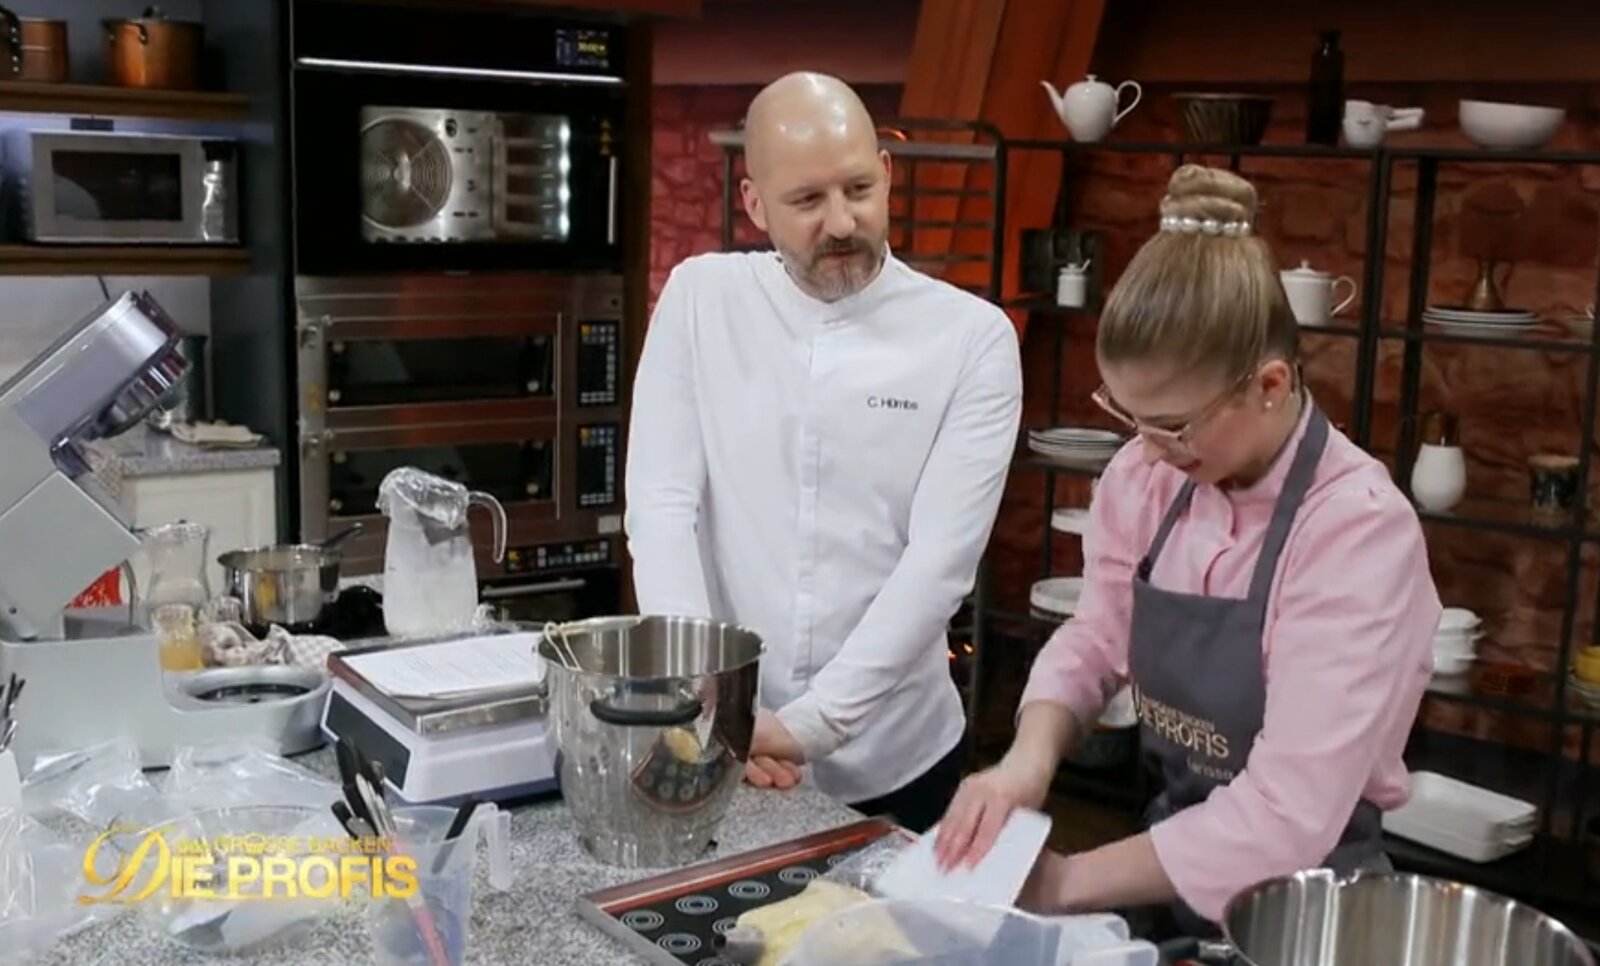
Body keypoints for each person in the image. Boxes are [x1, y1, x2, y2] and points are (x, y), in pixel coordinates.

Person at [932, 164, 1441, 935]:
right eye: (1128, 414)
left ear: (1269, 384)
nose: (1147, 447)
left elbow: (1287, 813)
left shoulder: (1357, 532)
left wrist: (1063, 882)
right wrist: (1027, 761)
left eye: (1173, 424)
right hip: (1164, 865)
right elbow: (1099, 638)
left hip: (1308, 908)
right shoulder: (1149, 476)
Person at [623, 71, 1023, 833]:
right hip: (727, 738)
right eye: (807, 201)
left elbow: (939, 562)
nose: (842, 222)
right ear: (754, 204)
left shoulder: (972, 340)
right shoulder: (700, 300)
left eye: (860, 189)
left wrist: (814, 725)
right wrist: (713, 697)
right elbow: (664, 509)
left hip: (898, 758)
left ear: (889, 176)